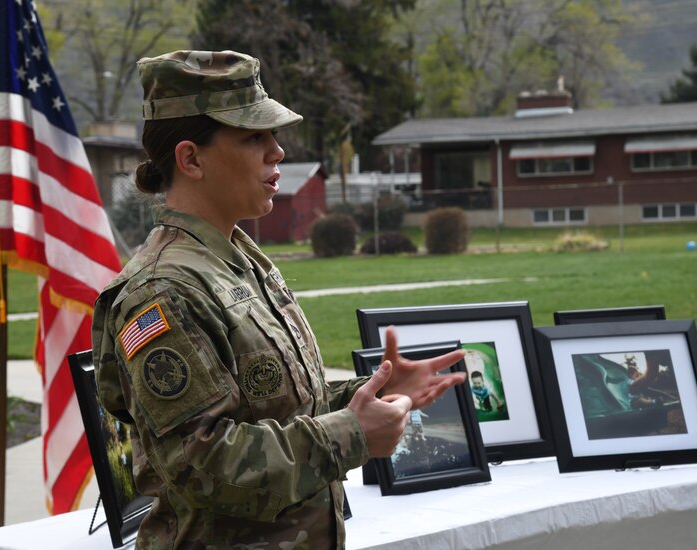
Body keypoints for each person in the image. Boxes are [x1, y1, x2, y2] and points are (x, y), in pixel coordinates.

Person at [91, 50, 466, 549]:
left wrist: (367, 393)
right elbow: (203, 464)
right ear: (190, 158)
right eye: (253, 137)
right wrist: (351, 433)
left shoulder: (240, 258)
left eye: (273, 135)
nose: (277, 152)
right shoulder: (164, 291)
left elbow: (274, 408)